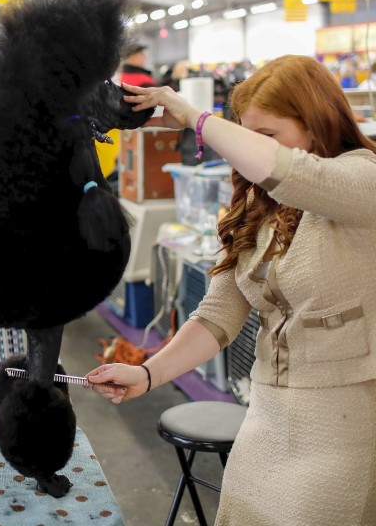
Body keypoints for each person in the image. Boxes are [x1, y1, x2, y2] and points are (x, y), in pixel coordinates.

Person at [85, 54, 376, 525]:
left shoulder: (363, 182)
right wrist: (149, 374)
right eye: (245, 132)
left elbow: (299, 174)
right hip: (267, 418)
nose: (249, 149)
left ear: (317, 125)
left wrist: (197, 118)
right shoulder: (262, 205)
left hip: (342, 430)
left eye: (266, 136)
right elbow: (219, 311)